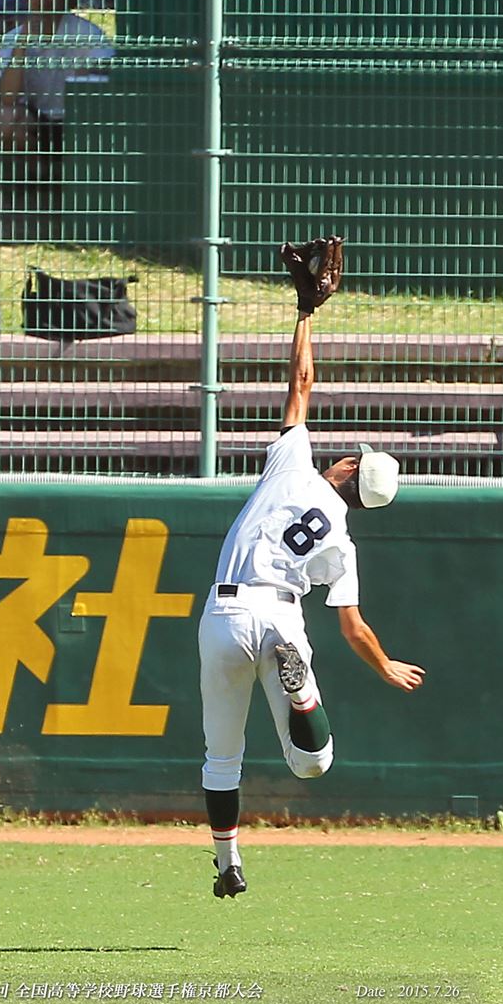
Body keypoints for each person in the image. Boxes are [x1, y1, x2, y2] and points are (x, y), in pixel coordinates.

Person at [199, 237, 425, 900]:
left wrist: (305, 309)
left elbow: (301, 382)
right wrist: (383, 665)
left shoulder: (295, 462)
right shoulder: (345, 542)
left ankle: (226, 863)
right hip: (281, 614)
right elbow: (352, 626)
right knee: (313, 763)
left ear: (350, 471)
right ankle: (302, 695)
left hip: (224, 610)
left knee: (222, 756)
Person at [0, 0, 114, 154]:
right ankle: (38, 176)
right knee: (4, 119)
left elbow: (108, 71)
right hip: (36, 119)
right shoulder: (13, 37)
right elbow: (7, 97)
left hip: (78, 120)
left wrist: (87, 72)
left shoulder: (85, 32)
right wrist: (22, 44)